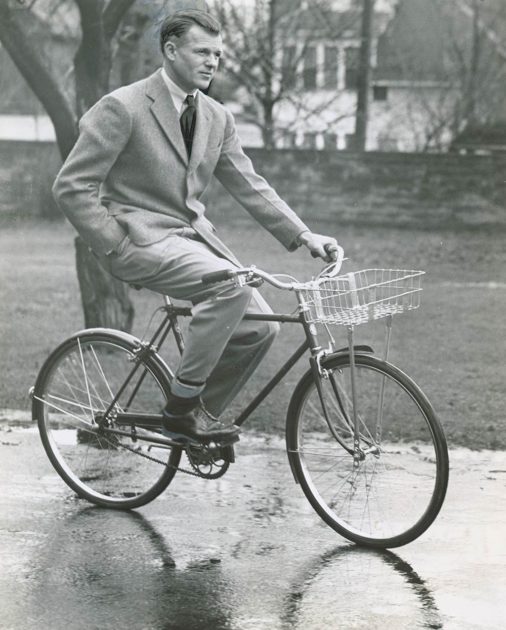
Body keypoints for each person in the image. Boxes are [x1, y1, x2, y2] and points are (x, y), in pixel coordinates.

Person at [52, 9, 339, 445]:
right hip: (138, 238)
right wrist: (112, 242)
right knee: (231, 286)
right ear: (170, 50)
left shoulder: (216, 117)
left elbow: (250, 185)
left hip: (191, 240)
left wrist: (304, 235)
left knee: (262, 325)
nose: (212, 62)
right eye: (201, 51)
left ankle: (198, 418)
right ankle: (181, 409)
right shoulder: (123, 107)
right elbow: (72, 187)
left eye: (218, 55)